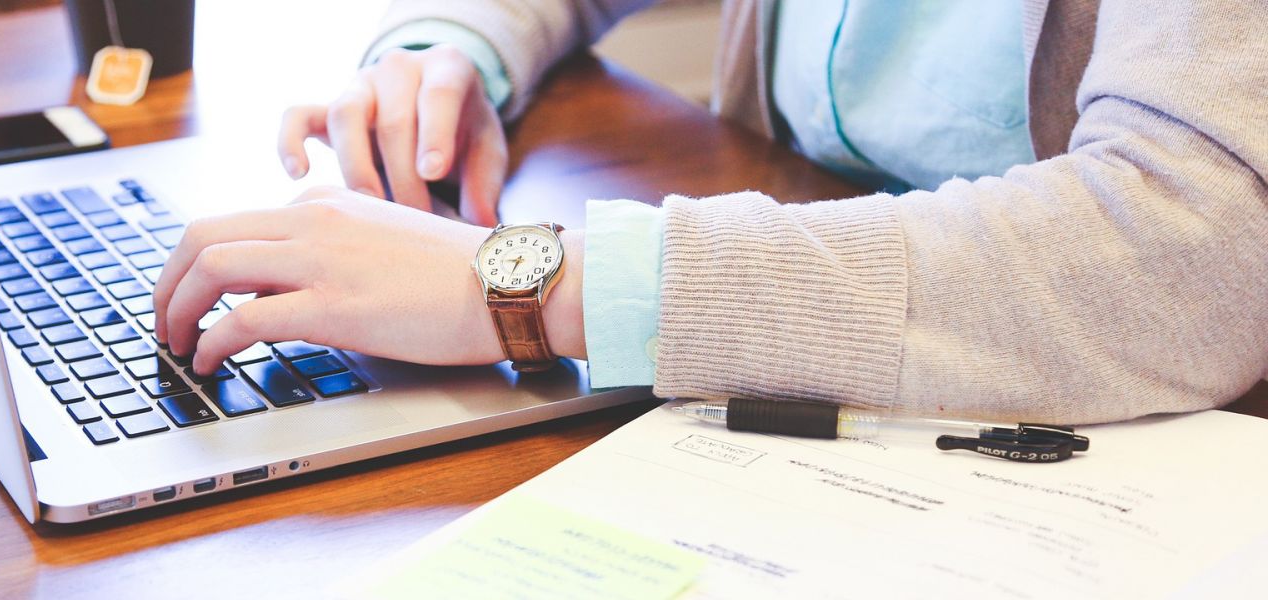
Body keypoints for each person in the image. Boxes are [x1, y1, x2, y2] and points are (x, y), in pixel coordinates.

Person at [153, 0, 1268, 424]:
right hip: (802, 388)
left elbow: (1191, 249)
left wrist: (528, 284)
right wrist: (453, 47)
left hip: (1099, 434)